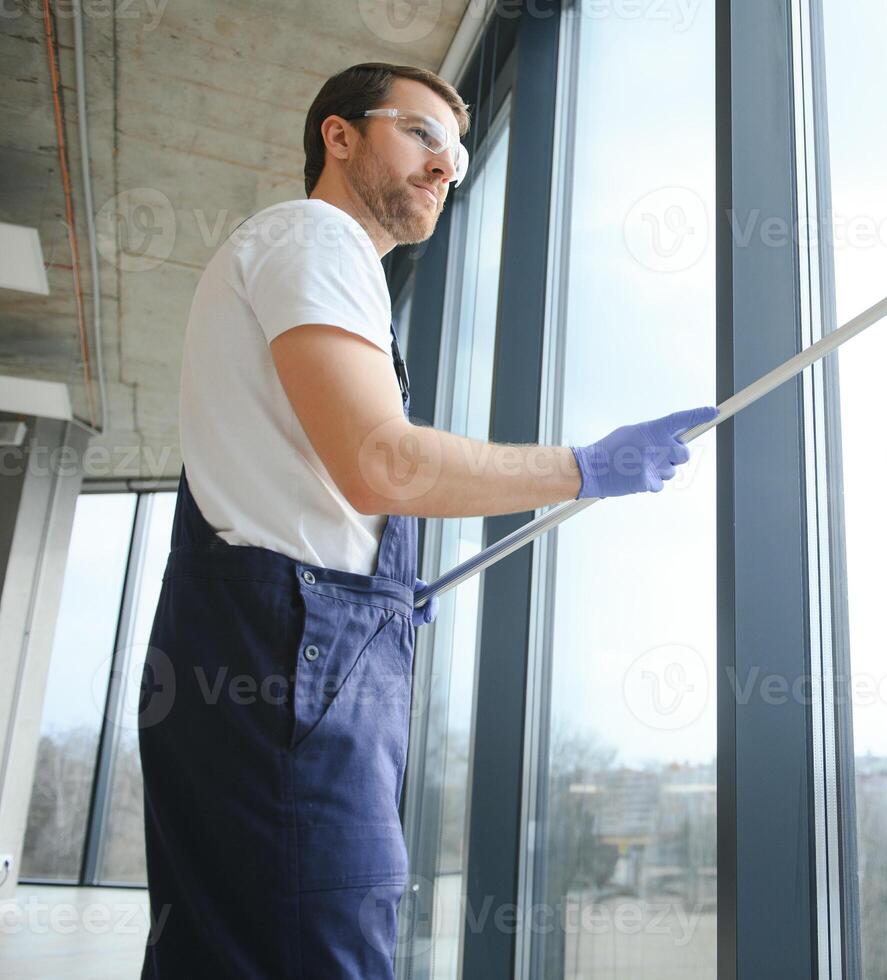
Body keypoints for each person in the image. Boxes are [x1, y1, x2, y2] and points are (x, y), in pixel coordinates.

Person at [137, 62, 714, 978]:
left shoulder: (309, 260)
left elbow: (310, 486)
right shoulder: (314, 237)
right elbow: (382, 462)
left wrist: (374, 588)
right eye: (423, 135)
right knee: (318, 944)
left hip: (274, 644)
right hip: (285, 660)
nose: (448, 167)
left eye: (458, 152)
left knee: (236, 950)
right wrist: (581, 468)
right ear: (339, 134)